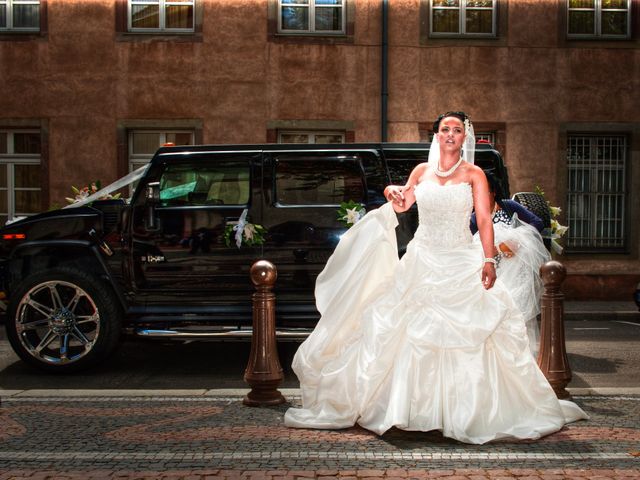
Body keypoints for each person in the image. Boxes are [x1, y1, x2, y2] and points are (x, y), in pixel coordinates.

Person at [284, 111, 587, 444]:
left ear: (464, 137)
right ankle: (408, 410)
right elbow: (405, 203)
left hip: (460, 258)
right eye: (445, 129)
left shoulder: (474, 175)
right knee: (404, 330)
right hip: (422, 258)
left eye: (457, 130)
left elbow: (484, 220)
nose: (451, 135)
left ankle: (465, 412)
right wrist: (393, 193)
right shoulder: (421, 171)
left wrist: (488, 259)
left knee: (470, 333)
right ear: (437, 135)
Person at [470, 172, 551, 359]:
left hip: (516, 269)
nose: (478, 197)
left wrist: (517, 240)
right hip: (494, 273)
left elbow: (537, 222)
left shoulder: (509, 206)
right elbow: (472, 245)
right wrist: (495, 250)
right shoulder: (474, 218)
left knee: (518, 310)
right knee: (497, 311)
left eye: (483, 191)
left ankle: (521, 355)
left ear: (493, 192)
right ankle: (500, 357)